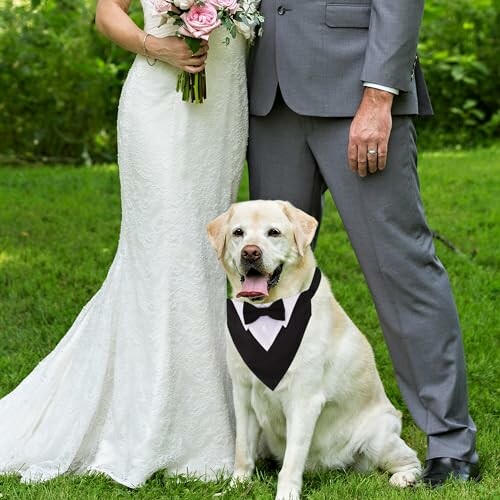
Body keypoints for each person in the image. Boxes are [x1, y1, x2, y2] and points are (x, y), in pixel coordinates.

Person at [0, 0, 247, 487]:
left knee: (204, 260)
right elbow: (107, 13)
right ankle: (160, 417)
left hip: (221, 110)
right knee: (166, 255)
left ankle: (212, 408)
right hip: (159, 104)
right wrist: (159, 46)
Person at [247, 0, 480, 487]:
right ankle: (278, 435)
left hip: (357, 90)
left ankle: (451, 440)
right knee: (269, 280)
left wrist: (380, 95)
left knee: (400, 270)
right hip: (269, 99)